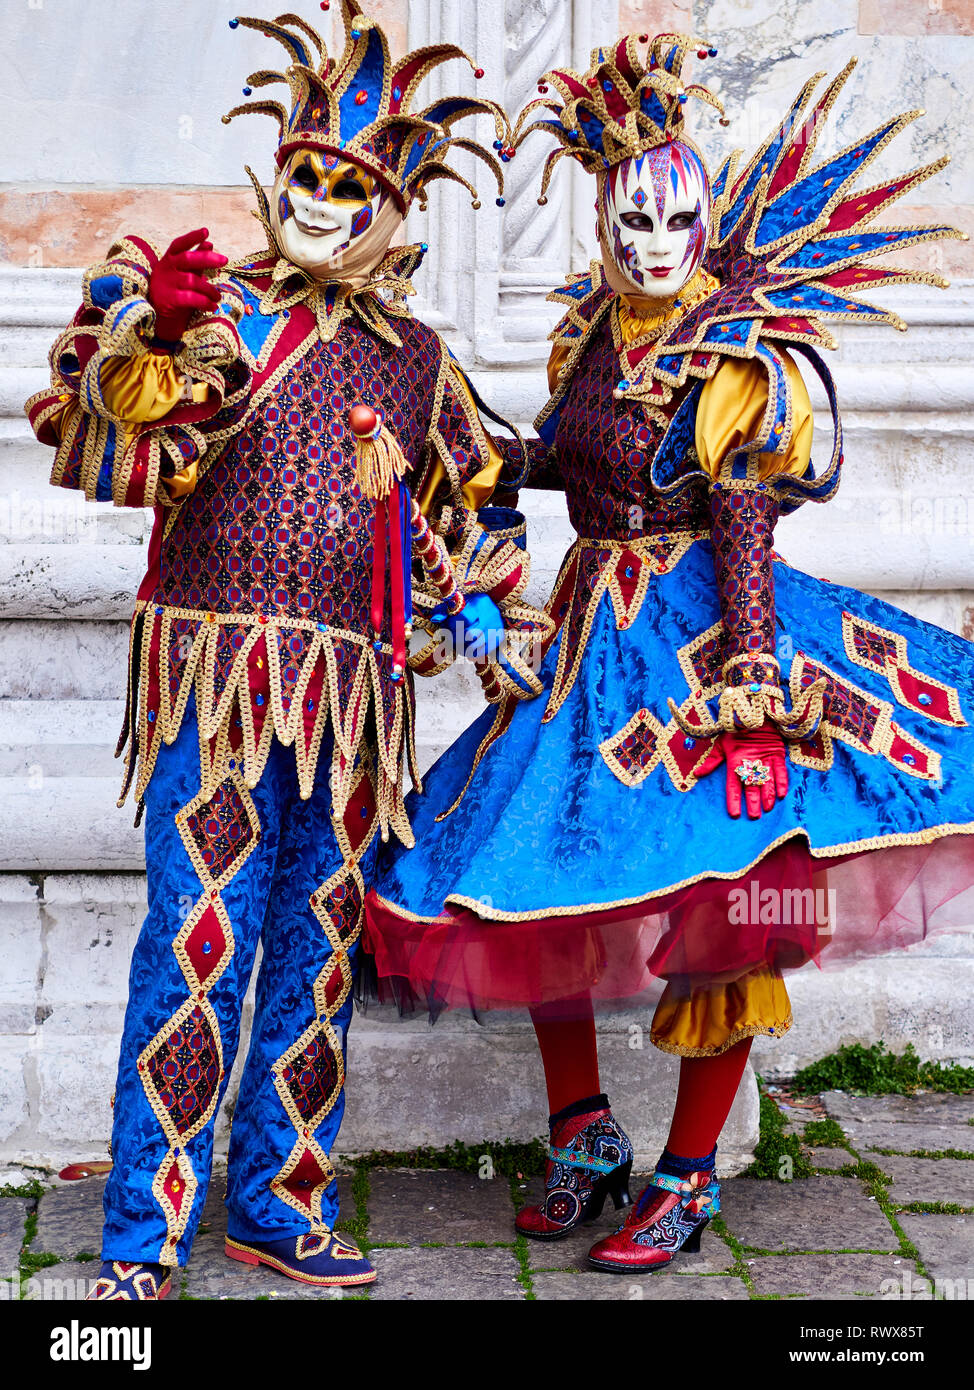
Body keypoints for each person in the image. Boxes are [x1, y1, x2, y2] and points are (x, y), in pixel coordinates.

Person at [364, 31, 974, 1273]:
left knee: (724, 902)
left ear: (702, 210)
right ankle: (582, 1133)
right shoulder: (590, 333)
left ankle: (689, 1171)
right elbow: (553, 458)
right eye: (629, 218)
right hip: (584, 630)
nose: (652, 239)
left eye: (673, 215)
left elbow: (741, 509)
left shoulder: (736, 352)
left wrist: (751, 674)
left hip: (699, 640)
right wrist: (454, 443)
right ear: (600, 219)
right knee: (522, 863)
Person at [25, 1, 547, 1298]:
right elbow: (119, 441)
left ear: (389, 205)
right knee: (195, 943)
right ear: (282, 177)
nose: (318, 203)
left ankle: (275, 1200)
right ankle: (144, 1232)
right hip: (215, 684)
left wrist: (480, 608)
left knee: (312, 960)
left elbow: (469, 508)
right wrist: (145, 345)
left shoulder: (422, 361)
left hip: (354, 703)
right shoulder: (232, 320)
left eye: (348, 187)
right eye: (305, 179)